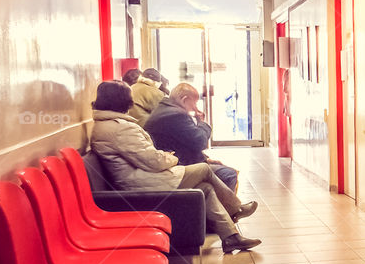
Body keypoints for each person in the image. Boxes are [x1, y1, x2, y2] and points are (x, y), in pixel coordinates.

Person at [89, 80, 261, 253]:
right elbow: (154, 161)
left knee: (206, 188)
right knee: (204, 169)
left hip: (140, 178)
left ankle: (231, 237)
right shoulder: (120, 128)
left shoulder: (106, 125)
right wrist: (171, 158)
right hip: (141, 184)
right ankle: (236, 208)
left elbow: (147, 157)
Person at [144, 83, 239, 191]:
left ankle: (232, 207)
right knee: (228, 174)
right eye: (194, 103)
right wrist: (203, 123)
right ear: (184, 100)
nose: (195, 107)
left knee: (220, 170)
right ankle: (231, 207)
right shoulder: (176, 115)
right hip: (177, 167)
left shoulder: (164, 110)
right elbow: (200, 142)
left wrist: (206, 160)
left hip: (171, 162)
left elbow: (185, 143)